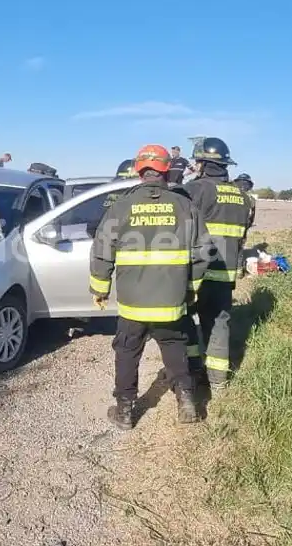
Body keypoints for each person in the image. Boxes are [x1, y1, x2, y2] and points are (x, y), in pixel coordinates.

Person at [90, 144, 210, 429]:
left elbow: (101, 250)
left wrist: (100, 289)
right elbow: (203, 251)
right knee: (174, 347)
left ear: (139, 169)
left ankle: (125, 411)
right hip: (171, 300)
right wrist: (191, 287)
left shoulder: (121, 206)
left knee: (128, 352)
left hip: (133, 304)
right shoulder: (185, 206)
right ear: (166, 169)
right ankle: (187, 402)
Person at [182, 138, 254, 390]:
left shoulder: (196, 190)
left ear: (203, 163)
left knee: (186, 320)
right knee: (219, 323)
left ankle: (192, 370)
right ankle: (217, 380)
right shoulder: (242, 196)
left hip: (196, 273)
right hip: (225, 274)